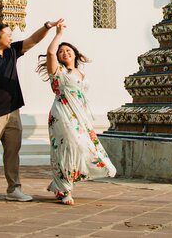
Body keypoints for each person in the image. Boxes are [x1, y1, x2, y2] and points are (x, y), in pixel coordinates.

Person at [0, 20, 60, 203]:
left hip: (13, 111)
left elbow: (33, 40)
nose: (11, 37)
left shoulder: (11, 51)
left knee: (12, 152)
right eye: (8, 34)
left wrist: (48, 26)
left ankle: (14, 189)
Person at [39, 21, 116, 205]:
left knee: (82, 147)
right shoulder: (58, 71)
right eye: (61, 51)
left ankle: (61, 183)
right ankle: (66, 190)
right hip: (62, 113)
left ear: (75, 54)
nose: (64, 53)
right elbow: (50, 52)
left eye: (68, 50)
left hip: (79, 116)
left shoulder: (81, 74)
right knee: (68, 148)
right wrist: (58, 34)